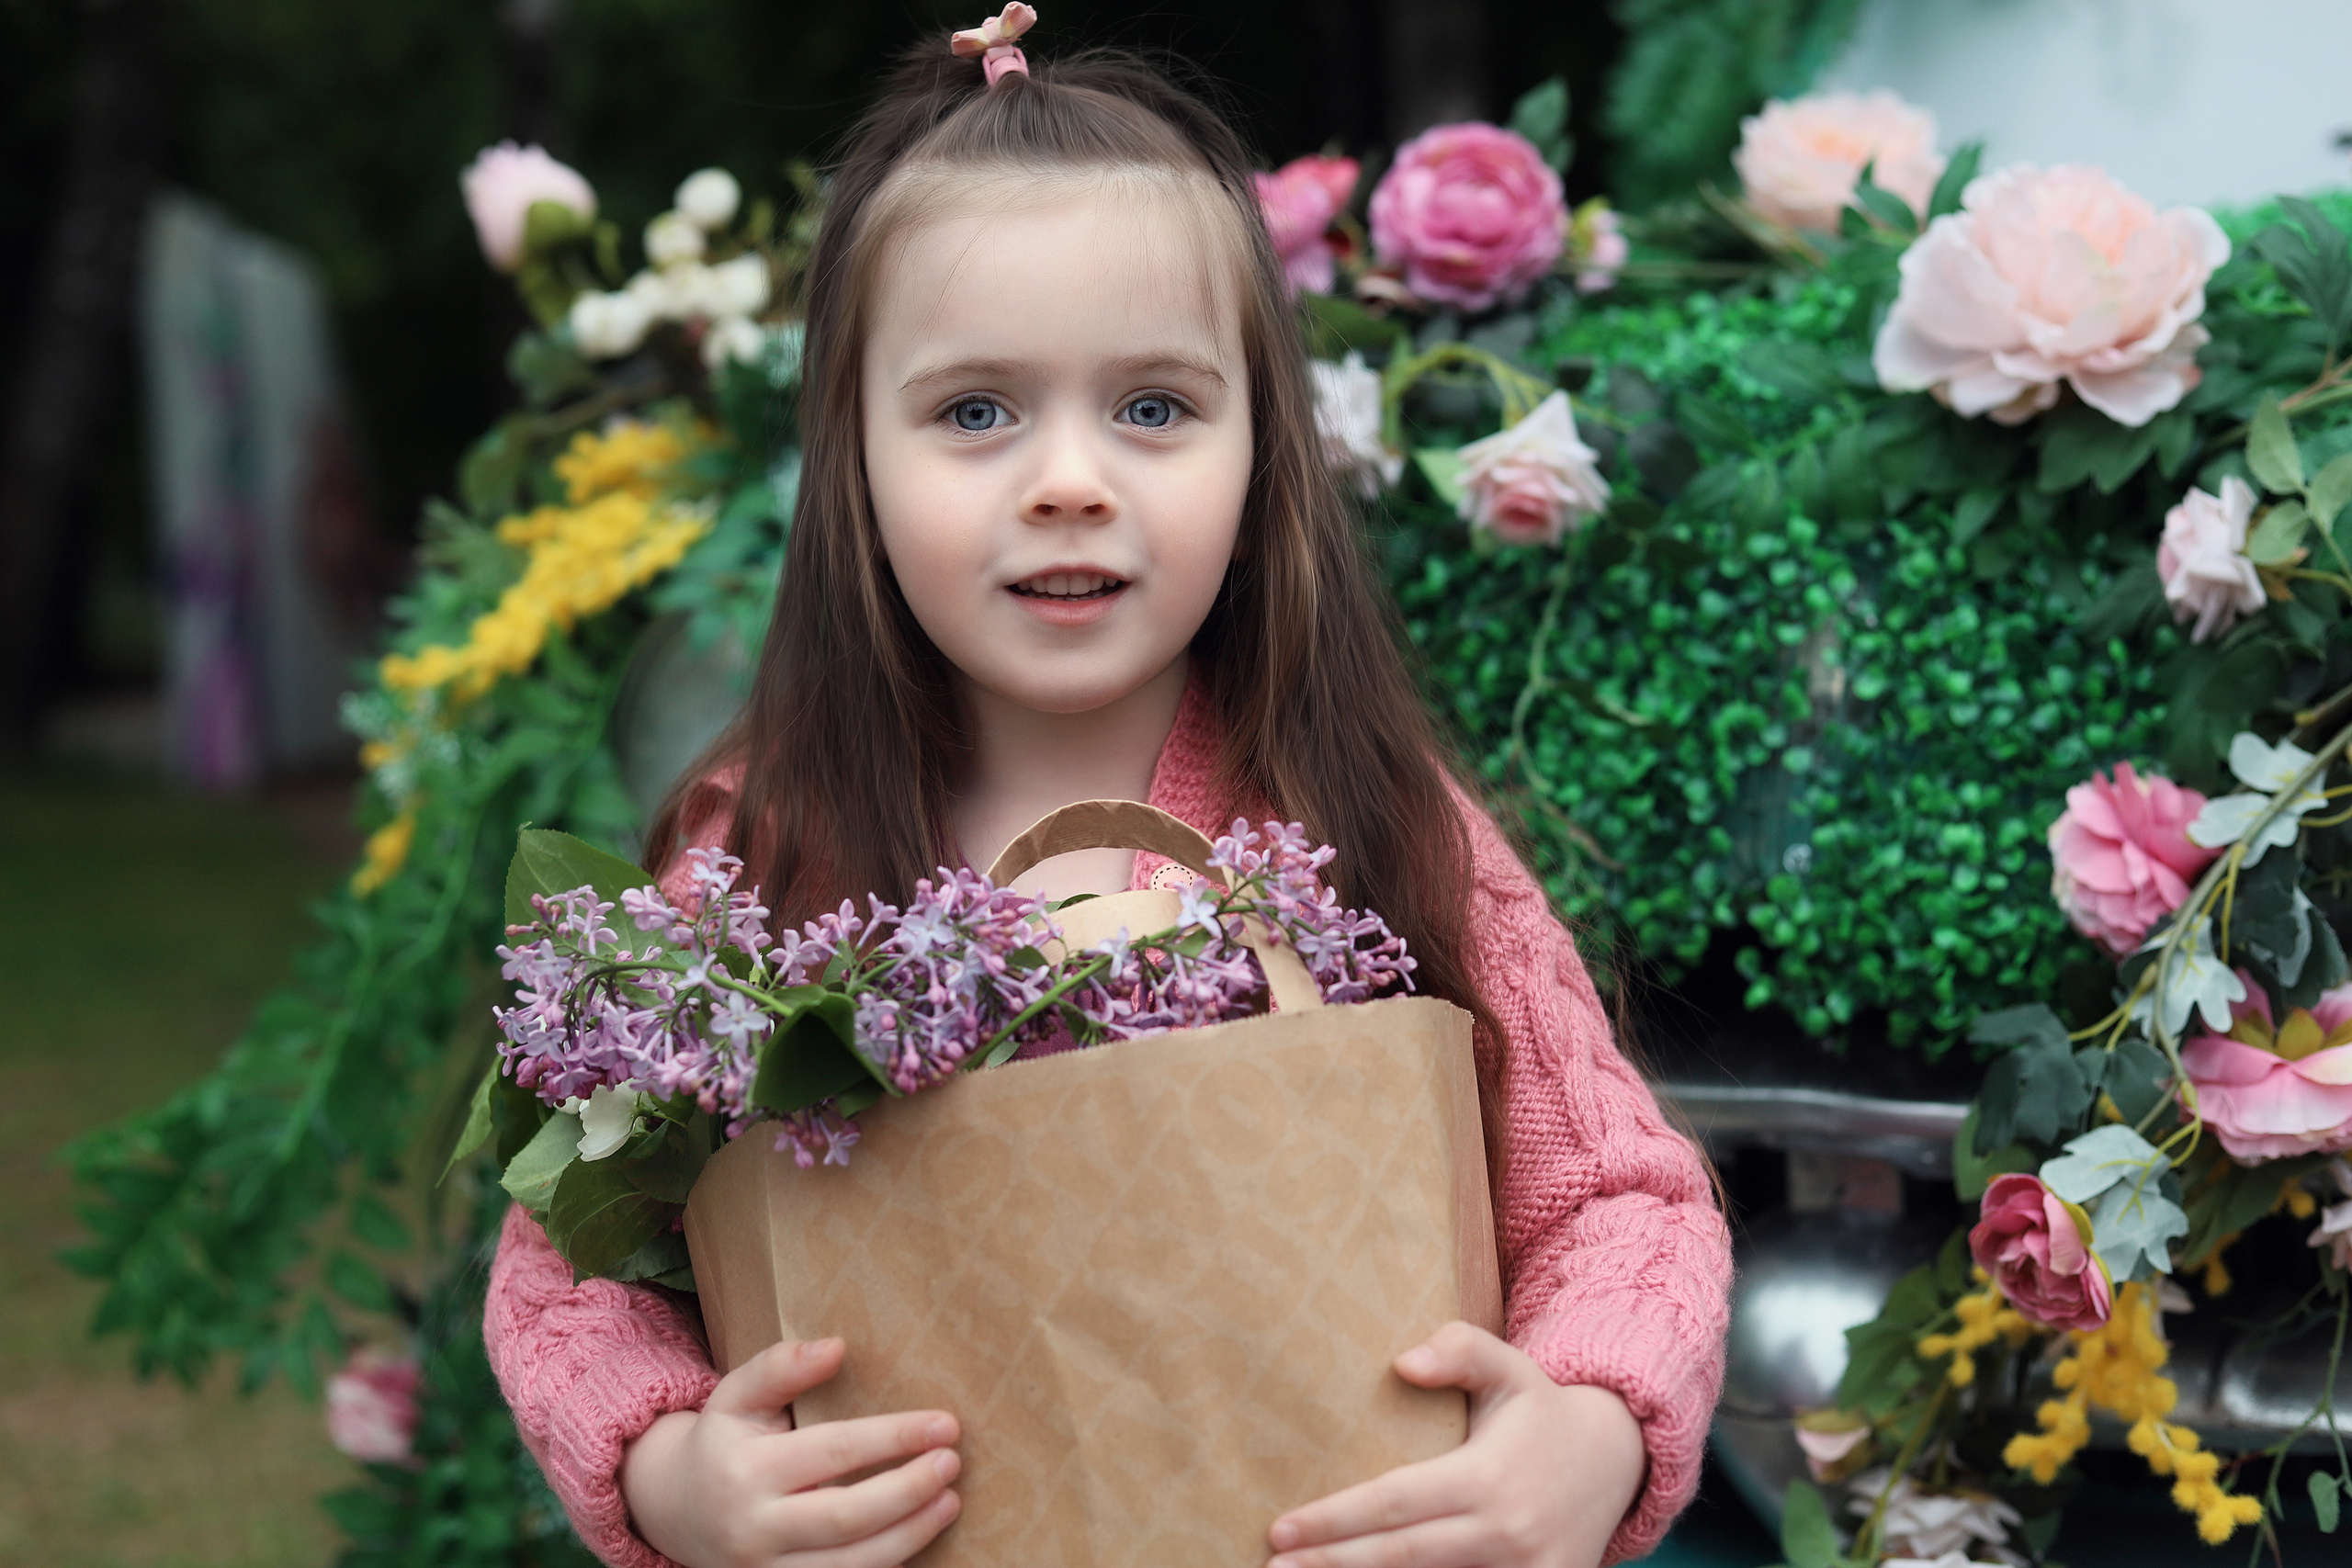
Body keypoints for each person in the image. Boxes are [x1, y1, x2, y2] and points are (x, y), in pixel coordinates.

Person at [484, 12, 1731, 1567]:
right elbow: (561, 1276)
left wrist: (1590, 1433)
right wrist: (676, 1477)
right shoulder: (765, 862)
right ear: (850, 464)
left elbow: (1624, 1204)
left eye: (1153, 408)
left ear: (1261, 450)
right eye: (974, 412)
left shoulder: (1368, 816)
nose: (1069, 478)